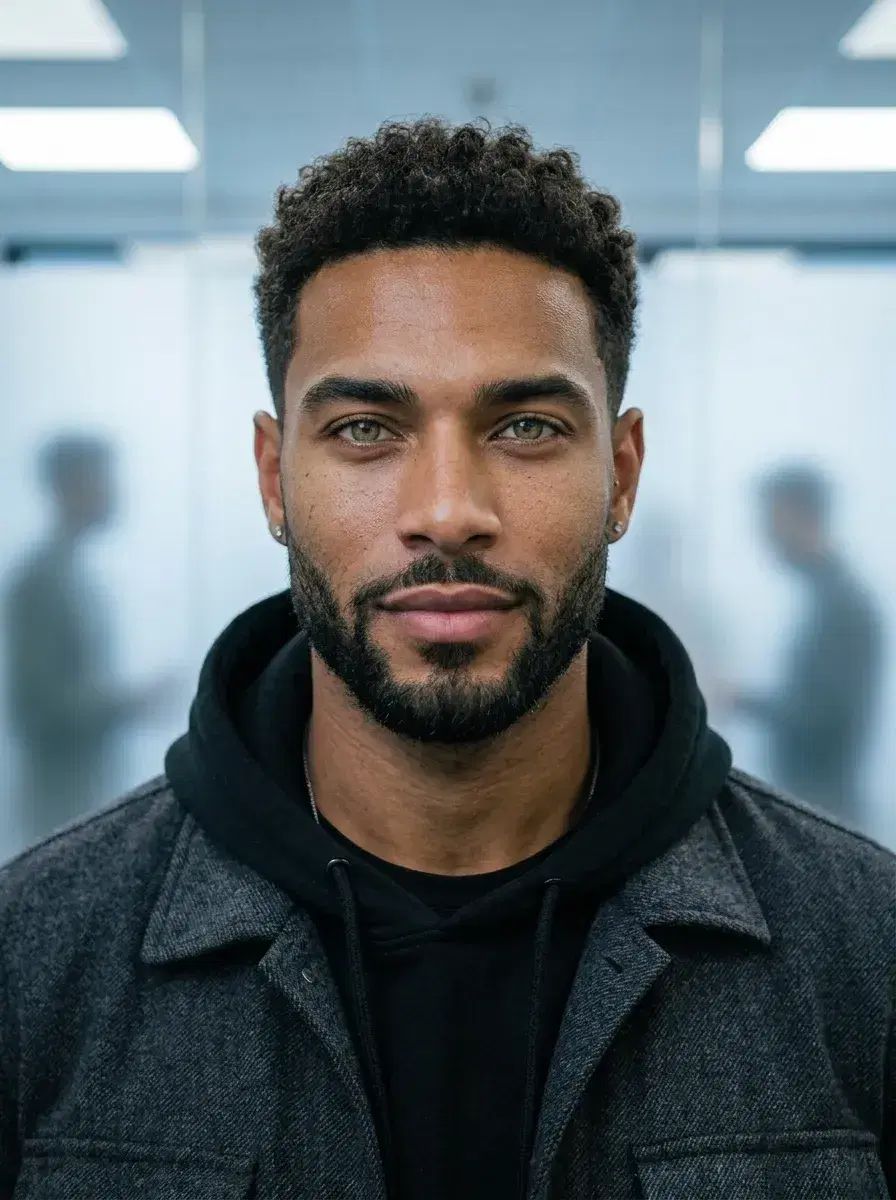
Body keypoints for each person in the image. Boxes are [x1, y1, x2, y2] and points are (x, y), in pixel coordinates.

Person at [0, 121, 892, 1200]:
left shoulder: (862, 948)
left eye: (523, 426)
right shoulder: (34, 961)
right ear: (275, 478)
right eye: (367, 429)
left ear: (619, 473)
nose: (446, 513)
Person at [2, 436, 168, 845]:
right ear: (68, 486)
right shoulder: (42, 581)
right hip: (61, 814)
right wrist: (131, 702)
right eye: (102, 478)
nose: (115, 491)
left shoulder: (74, 575)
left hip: (85, 806)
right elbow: (38, 707)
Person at [729, 465, 883, 828]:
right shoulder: (828, 598)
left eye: (773, 520)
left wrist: (742, 700)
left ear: (804, 517)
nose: (766, 535)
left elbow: (825, 715)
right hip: (818, 810)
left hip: (826, 813)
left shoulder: (843, 607)